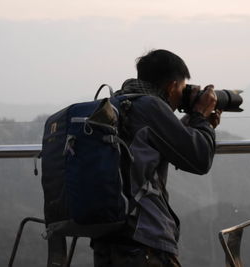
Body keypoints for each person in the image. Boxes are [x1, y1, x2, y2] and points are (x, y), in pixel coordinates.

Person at [92, 49, 221, 267]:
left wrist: (199, 124)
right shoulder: (150, 106)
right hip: (143, 241)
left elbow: (159, 142)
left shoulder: (119, 104)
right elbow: (200, 159)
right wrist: (200, 117)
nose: (182, 95)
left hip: (108, 237)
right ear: (172, 86)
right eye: (182, 88)